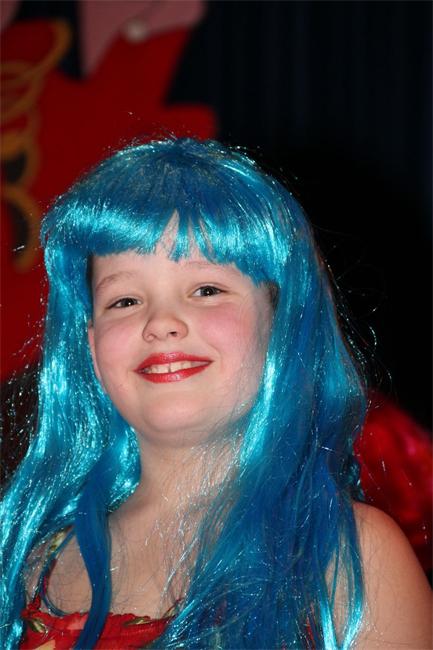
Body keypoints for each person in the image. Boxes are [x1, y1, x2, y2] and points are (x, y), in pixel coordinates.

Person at [1, 138, 431, 649]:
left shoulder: (348, 560)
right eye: (125, 300)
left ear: (281, 322)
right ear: (91, 345)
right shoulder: (31, 567)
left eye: (206, 290)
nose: (161, 323)